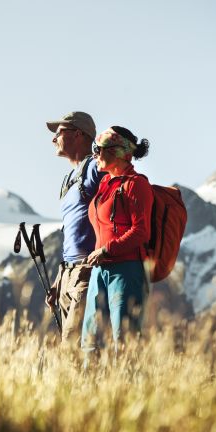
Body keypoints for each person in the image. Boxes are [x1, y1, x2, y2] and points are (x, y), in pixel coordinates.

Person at [81, 125, 153, 355]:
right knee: (89, 341)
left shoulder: (136, 185)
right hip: (99, 272)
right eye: (95, 148)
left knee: (123, 342)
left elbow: (141, 231)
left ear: (123, 153)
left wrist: (106, 250)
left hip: (127, 271)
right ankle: (88, 388)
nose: (96, 154)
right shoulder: (104, 186)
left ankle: (124, 390)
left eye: (102, 149)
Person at [45, 111, 105, 346]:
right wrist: (59, 281)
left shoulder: (92, 168)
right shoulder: (70, 179)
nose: (54, 139)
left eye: (59, 133)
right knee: (73, 347)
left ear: (78, 134)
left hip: (86, 274)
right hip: (68, 275)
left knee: (72, 348)